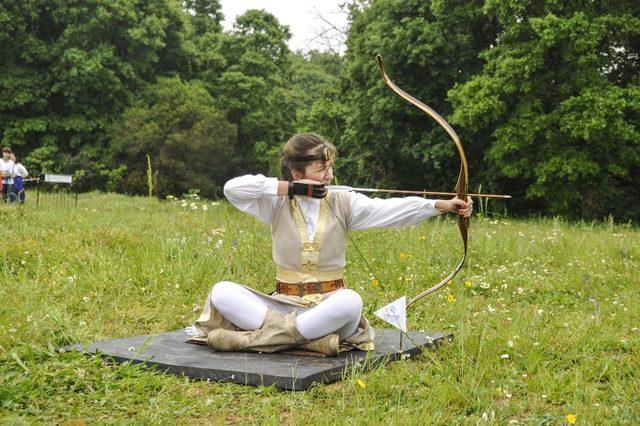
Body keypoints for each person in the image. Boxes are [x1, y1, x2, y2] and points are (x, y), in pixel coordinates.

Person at [186, 133, 473, 356]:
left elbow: (391, 209)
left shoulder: (344, 201)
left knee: (351, 302)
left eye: (330, 168)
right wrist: (290, 189)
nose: (329, 176)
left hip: (329, 306)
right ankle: (312, 342)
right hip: (283, 306)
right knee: (222, 292)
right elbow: (232, 189)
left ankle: (254, 341)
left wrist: (441, 205)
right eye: (321, 168)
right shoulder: (275, 203)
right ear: (297, 173)